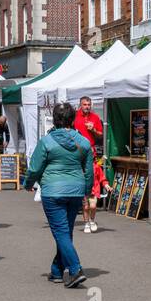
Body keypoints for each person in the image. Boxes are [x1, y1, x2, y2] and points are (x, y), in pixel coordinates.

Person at [25, 101, 93, 288]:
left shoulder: (46, 141)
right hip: (76, 190)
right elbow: (89, 172)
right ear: (73, 119)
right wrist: (86, 192)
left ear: (55, 119)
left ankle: (75, 269)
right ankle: (57, 270)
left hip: (53, 190)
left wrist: (28, 183)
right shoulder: (84, 142)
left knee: (61, 232)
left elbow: (35, 167)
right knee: (65, 231)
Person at [73, 96, 104, 234]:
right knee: (79, 179)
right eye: (84, 104)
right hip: (77, 152)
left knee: (90, 177)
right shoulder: (75, 117)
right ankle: (80, 202)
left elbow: (100, 136)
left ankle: (89, 202)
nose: (87, 106)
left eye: (89, 104)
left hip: (91, 152)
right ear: (80, 105)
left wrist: (93, 130)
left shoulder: (95, 117)